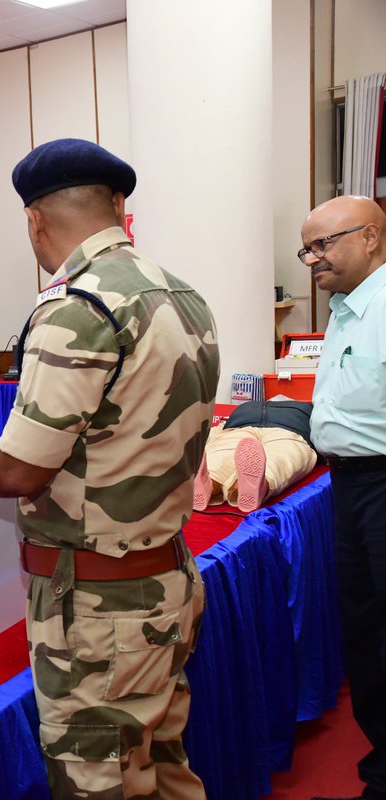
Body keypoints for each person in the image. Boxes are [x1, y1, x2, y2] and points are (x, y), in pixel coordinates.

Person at [0, 139, 219, 798]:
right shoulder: (182, 293)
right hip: (165, 579)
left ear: (35, 219)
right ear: (118, 206)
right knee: (164, 766)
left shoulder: (78, 305)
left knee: (100, 783)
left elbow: (19, 470)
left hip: (99, 611)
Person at [301, 195, 386, 800]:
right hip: (349, 483)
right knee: (364, 628)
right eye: (308, 248)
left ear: (372, 238)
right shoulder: (343, 310)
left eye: (325, 244)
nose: (312, 258)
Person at [193, 399, 317, 513]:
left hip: (283, 430)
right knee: (281, 457)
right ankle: (211, 485)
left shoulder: (247, 406)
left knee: (220, 456)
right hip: (242, 428)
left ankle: (217, 485)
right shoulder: (305, 408)